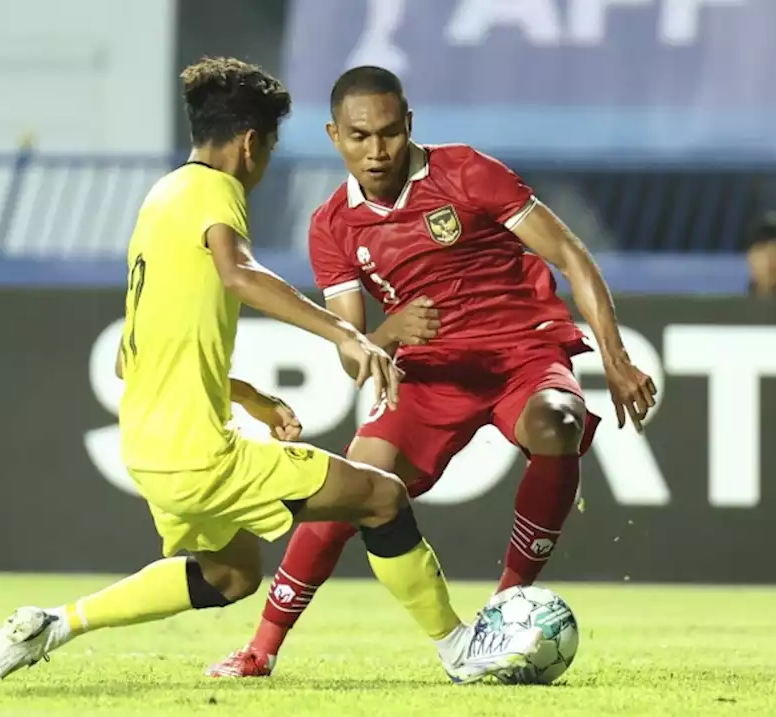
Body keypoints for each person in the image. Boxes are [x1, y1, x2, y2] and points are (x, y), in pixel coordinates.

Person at [0, 57, 542, 685]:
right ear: (249, 144)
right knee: (381, 497)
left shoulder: (161, 197)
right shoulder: (217, 192)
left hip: (149, 445)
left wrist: (248, 396)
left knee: (230, 574)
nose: (263, 165)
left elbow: (129, 353)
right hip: (198, 453)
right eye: (267, 148)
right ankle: (460, 648)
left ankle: (56, 622)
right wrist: (345, 330)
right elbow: (240, 273)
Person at [207, 65, 658, 678]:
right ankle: (261, 646)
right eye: (360, 136)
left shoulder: (467, 172)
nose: (376, 150)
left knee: (559, 421)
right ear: (334, 135)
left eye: (389, 133)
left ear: (409, 125)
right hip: (428, 375)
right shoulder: (332, 226)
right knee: (352, 486)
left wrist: (615, 357)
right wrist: (388, 334)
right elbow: (352, 350)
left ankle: (506, 605)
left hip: (520, 352)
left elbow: (570, 254)